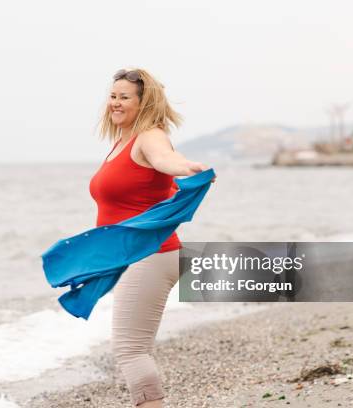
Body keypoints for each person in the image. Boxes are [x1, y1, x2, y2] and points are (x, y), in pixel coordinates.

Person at [89, 68, 215, 407]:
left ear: (144, 103)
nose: (115, 103)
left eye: (124, 97)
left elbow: (165, 159)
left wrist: (187, 168)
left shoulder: (149, 136)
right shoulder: (121, 142)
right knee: (136, 348)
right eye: (113, 96)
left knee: (129, 350)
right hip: (135, 257)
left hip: (149, 256)